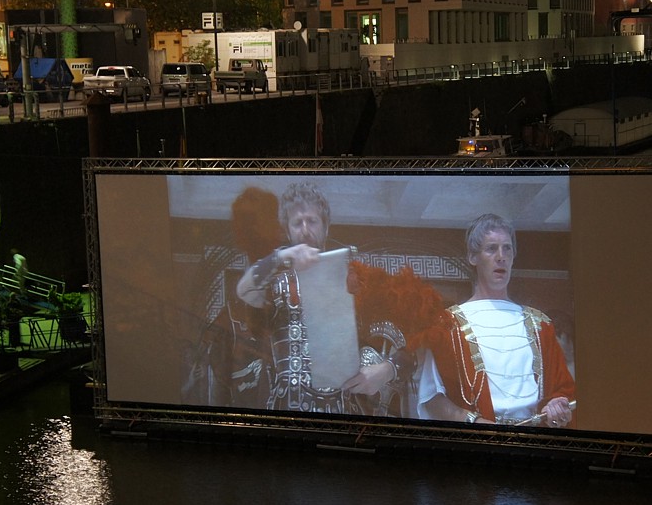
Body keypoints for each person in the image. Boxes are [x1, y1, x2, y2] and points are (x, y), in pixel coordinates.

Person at [236, 183, 427, 415]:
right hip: (285, 411)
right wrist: (280, 257)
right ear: (287, 231)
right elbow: (244, 289)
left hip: (340, 414)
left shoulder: (356, 282)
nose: (305, 230)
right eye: (297, 223)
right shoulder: (276, 283)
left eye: (312, 221)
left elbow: (414, 346)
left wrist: (386, 370)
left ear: (325, 228)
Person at [417, 213, 576, 427]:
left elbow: (563, 391)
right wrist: (476, 422)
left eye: (507, 248)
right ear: (473, 257)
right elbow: (432, 398)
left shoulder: (540, 325)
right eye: (491, 249)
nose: (501, 256)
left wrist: (557, 404)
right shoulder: (447, 324)